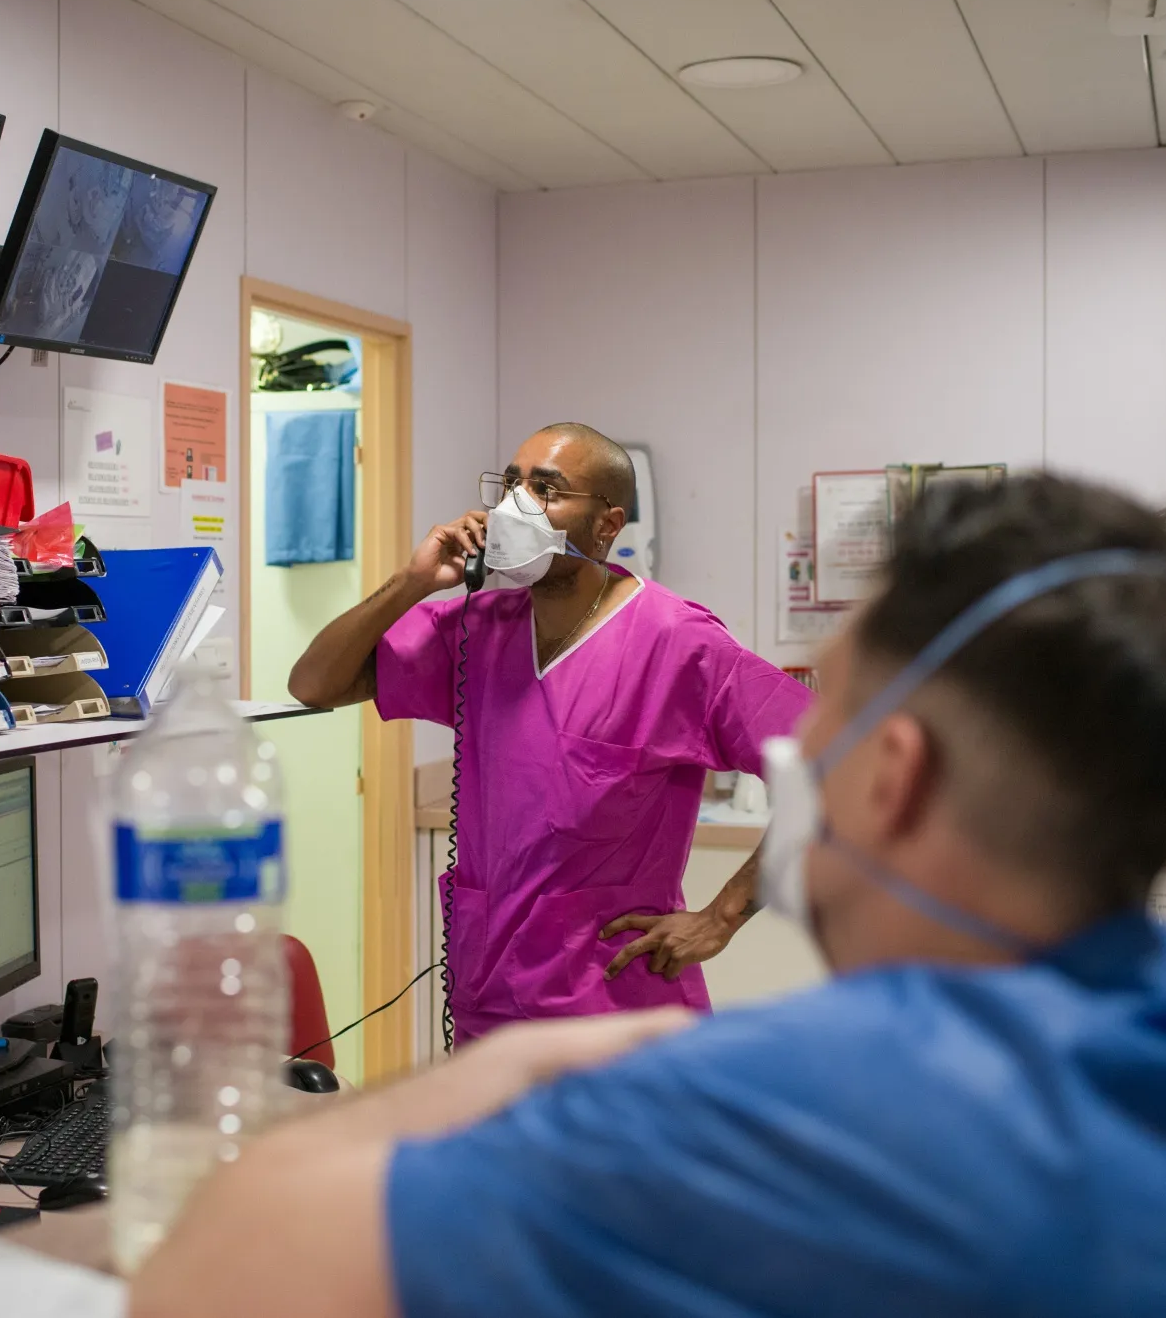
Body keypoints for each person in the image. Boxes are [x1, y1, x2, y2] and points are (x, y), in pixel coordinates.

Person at [140, 474, 1166, 1316]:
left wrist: (483, 1084)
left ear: (891, 775)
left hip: (578, 1010)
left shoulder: (784, 1113)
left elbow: (221, 1268)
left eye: (829, 722)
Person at [289, 423, 811, 1043]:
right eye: (510, 483)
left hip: (613, 1008)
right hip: (489, 997)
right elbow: (314, 683)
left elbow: (833, 758)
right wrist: (413, 582)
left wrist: (722, 916)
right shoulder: (477, 628)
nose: (516, 503)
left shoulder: (675, 641)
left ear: (607, 525)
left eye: (546, 488)